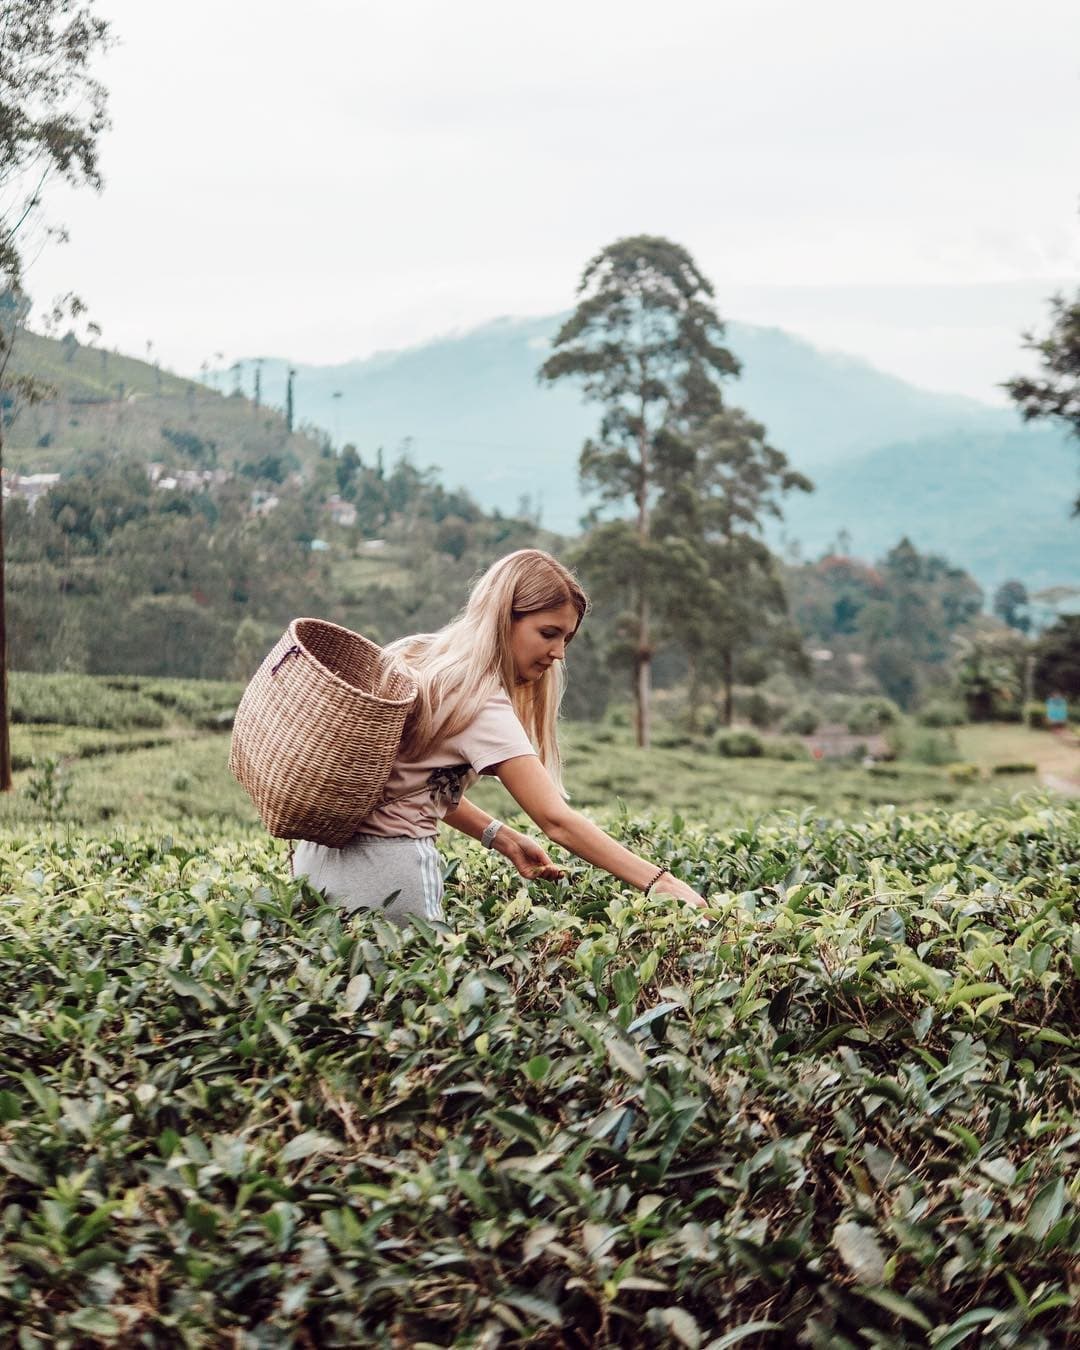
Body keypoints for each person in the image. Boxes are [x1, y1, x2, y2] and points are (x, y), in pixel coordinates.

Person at [292, 549, 706, 923]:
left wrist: (501, 837)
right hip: (390, 874)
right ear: (504, 617)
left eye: (567, 638)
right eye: (548, 633)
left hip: (316, 863)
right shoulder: (480, 699)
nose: (560, 652)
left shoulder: (418, 655)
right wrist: (660, 883)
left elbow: (415, 786)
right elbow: (556, 820)